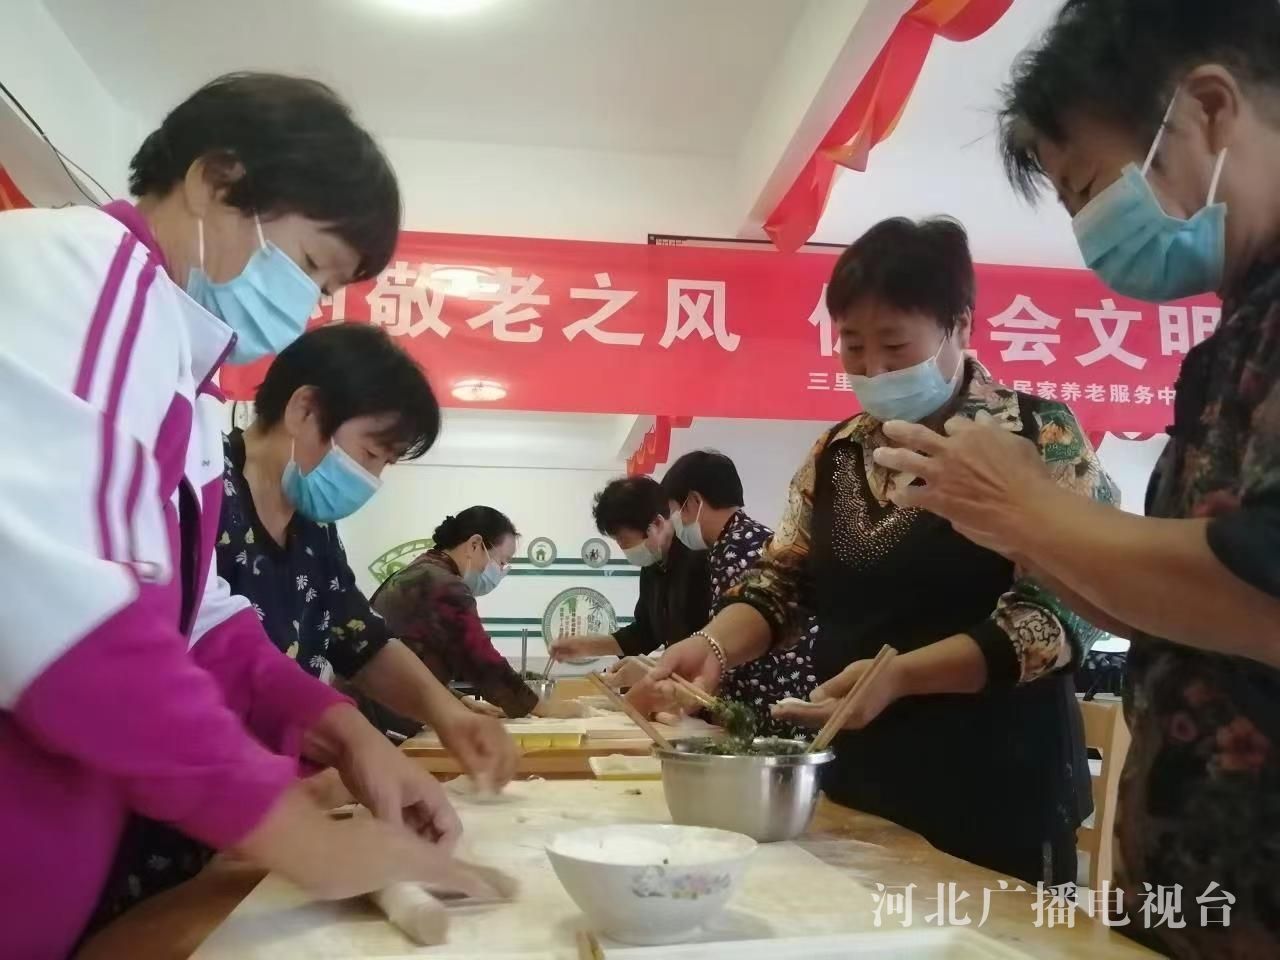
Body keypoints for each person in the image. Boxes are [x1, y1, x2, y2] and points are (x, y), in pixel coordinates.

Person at [0, 73, 484, 960]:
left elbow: (199, 620)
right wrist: (295, 836)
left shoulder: (183, 377)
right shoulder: (82, 283)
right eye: (307, 265)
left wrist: (349, 736)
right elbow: (67, 620)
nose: (304, 306)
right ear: (216, 182)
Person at [865, 3, 1280, 955]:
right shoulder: (1236, 336)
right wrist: (1016, 526)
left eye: (1092, 187)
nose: (1095, 235)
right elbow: (1173, 609)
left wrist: (1031, 507)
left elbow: (1264, 589)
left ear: (1210, 110)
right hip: (1194, 903)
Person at [634, 217, 1115, 886]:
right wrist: (713, 645)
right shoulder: (837, 452)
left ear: (960, 327)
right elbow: (781, 581)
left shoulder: (1037, 435)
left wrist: (900, 676)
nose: (872, 370)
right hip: (861, 774)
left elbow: (1058, 616)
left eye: (894, 346)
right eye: (853, 347)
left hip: (999, 780)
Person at [660, 450, 818, 738]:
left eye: (675, 511)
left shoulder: (737, 548)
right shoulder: (748, 539)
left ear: (694, 501)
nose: (675, 523)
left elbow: (735, 647)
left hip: (774, 705)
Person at [371, 507, 582, 720]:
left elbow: (413, 663)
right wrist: (540, 708)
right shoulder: (444, 585)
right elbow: (480, 658)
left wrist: (461, 700)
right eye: (501, 562)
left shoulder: (422, 570)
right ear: (474, 544)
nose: (499, 571)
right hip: (380, 714)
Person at [547, 476, 711, 666]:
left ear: (657, 524)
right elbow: (645, 633)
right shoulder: (653, 567)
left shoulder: (700, 560)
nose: (622, 547)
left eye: (623, 539)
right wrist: (584, 646)